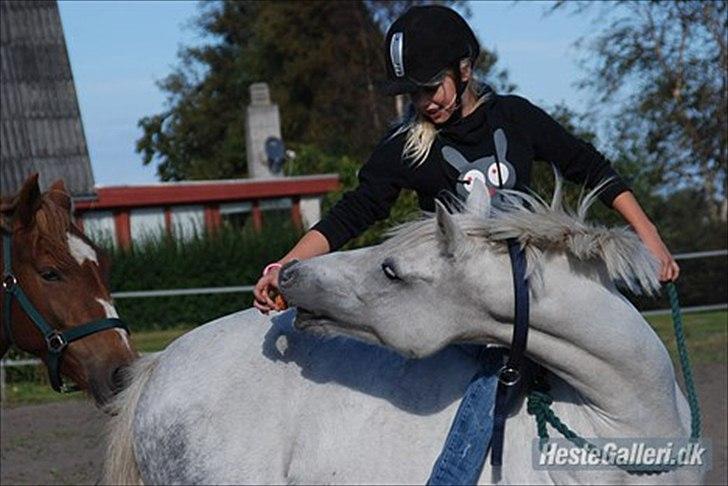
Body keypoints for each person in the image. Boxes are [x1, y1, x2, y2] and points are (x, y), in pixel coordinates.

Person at [252, 4, 679, 483]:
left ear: (465, 68)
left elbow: (592, 169)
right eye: (412, 94)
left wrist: (651, 240)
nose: (424, 102)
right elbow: (355, 211)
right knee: (487, 384)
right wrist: (284, 265)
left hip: (538, 294)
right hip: (472, 309)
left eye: (430, 87)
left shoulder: (516, 118)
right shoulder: (406, 148)